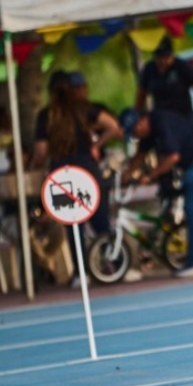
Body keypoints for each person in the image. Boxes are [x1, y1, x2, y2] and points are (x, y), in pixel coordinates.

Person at [30, 70, 122, 287]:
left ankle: (81, 273)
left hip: (62, 172)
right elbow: (114, 127)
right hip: (88, 169)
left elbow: (41, 151)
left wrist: (34, 164)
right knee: (100, 221)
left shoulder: (46, 116)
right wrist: (95, 147)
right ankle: (112, 265)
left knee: (73, 223)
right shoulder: (85, 109)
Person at [123, 109, 193, 276]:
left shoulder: (161, 122)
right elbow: (140, 156)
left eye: (135, 131)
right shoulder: (148, 132)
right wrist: (127, 174)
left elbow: (173, 157)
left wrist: (150, 176)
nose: (136, 135)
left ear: (141, 122)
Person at [136, 37, 193, 126]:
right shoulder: (150, 69)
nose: (162, 61)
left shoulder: (182, 66)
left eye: (165, 57)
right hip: (161, 118)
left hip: (183, 116)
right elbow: (142, 93)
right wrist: (137, 115)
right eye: (159, 57)